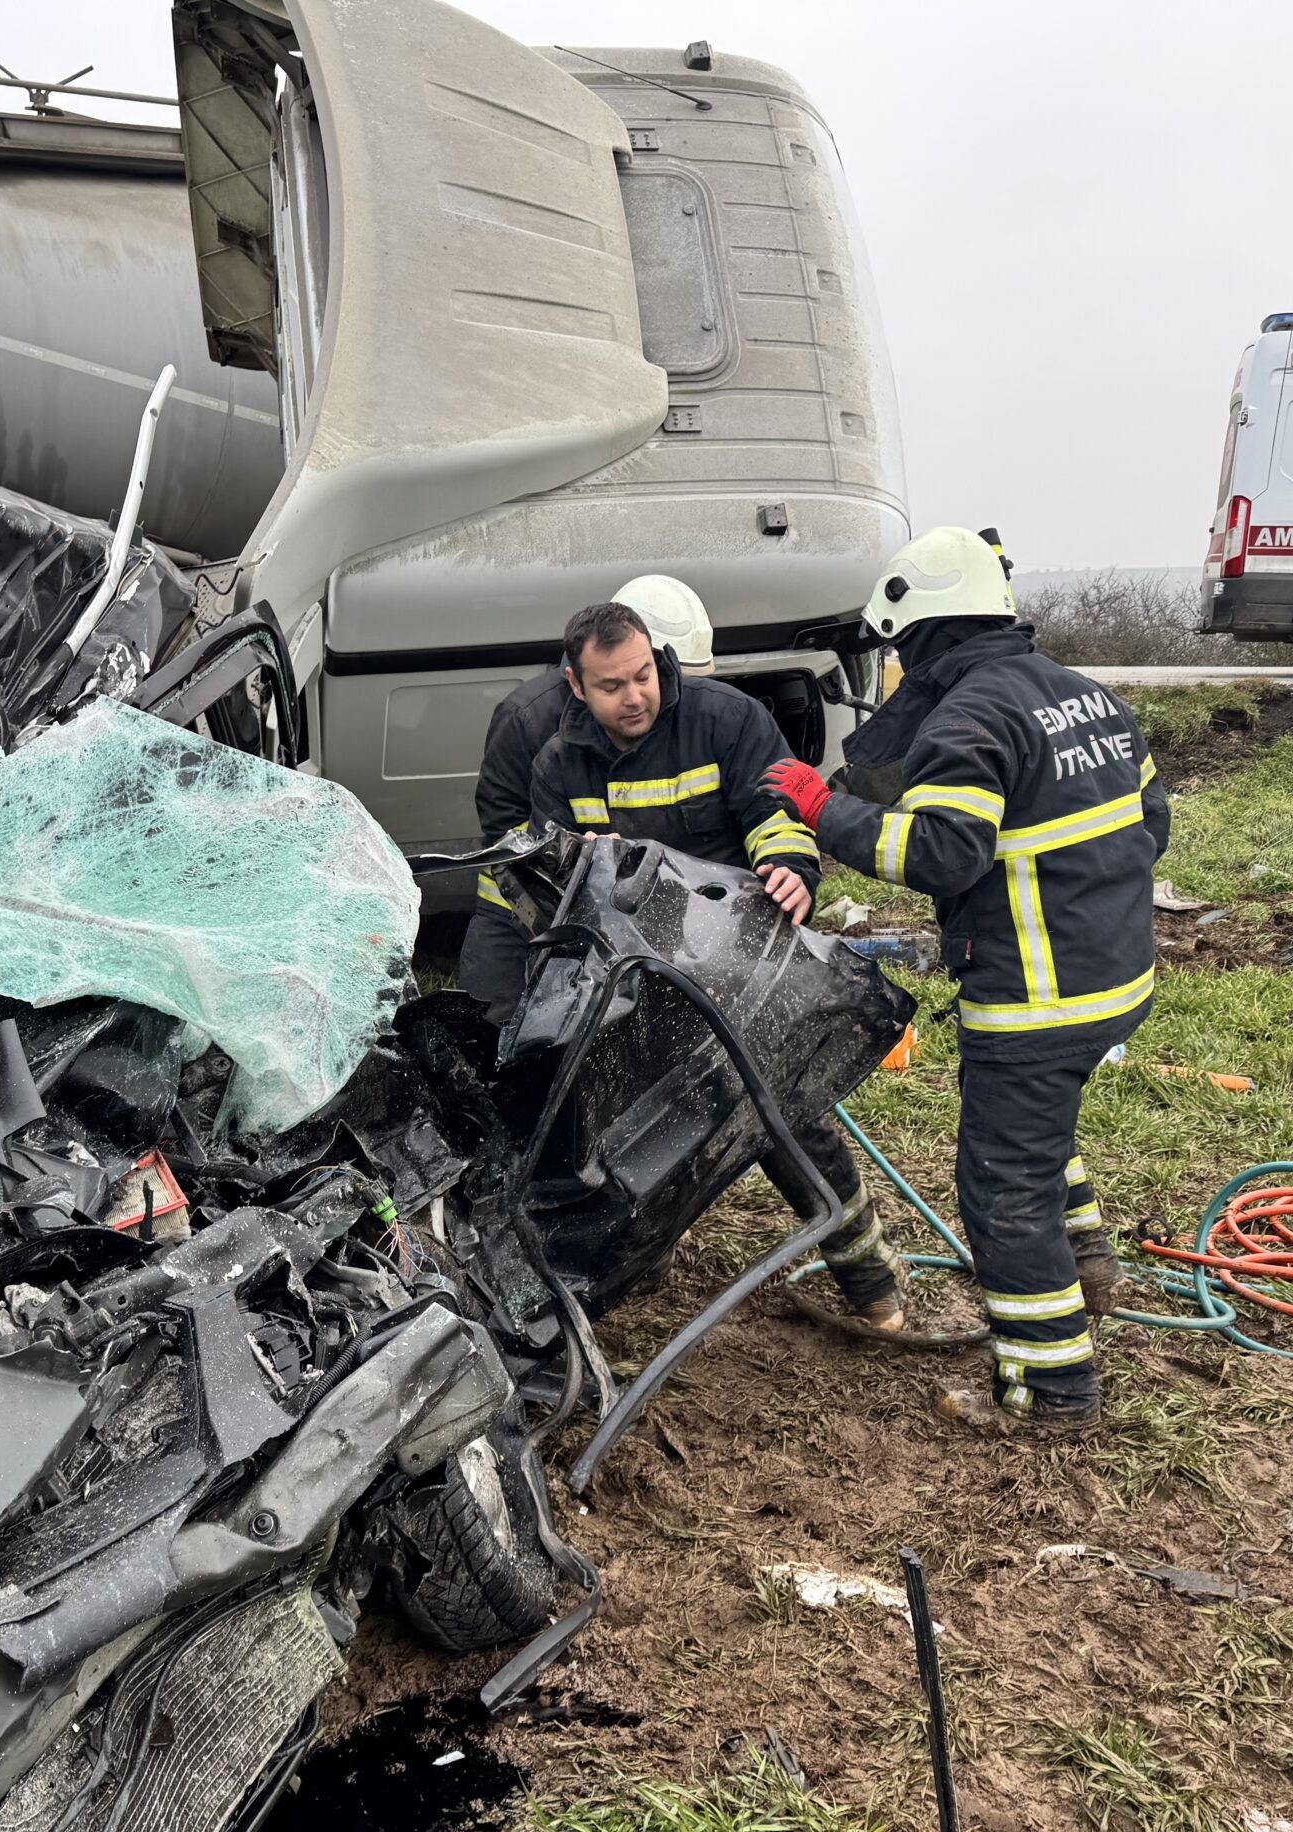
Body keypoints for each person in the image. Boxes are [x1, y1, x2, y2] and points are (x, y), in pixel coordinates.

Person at [762, 527, 1169, 1430]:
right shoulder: (1088, 695)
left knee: (1002, 1189)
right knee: (1032, 1129)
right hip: (1118, 974)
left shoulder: (969, 717)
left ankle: (1051, 1390)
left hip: (1038, 998)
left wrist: (823, 810)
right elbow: (1153, 820)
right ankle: (1088, 1257)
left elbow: (941, 854)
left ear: (922, 634)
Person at [525, 598, 915, 1328]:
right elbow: (556, 888)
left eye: (643, 675)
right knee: (630, 1134)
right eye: (611, 685)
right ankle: (639, 1264)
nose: (634, 696)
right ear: (576, 685)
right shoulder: (557, 765)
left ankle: (870, 1281)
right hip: (640, 978)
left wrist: (792, 868)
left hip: (742, 967)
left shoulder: (726, 719)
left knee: (784, 1122)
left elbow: (775, 814)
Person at [458, 575, 718, 1021]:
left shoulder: (693, 720)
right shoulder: (527, 720)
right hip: (520, 905)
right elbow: (505, 834)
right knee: (498, 1026)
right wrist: (574, 857)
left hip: (633, 903)